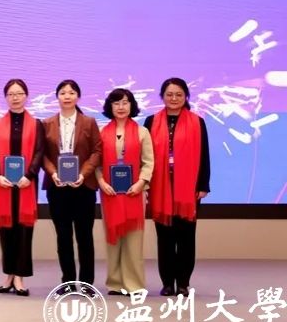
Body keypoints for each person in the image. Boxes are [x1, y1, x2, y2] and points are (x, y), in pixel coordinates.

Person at [144, 77, 211, 297]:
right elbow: (144, 156)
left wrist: (203, 184)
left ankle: (183, 283)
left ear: (186, 97)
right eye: (169, 94)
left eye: (179, 94)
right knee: (164, 238)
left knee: (186, 238)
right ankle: (167, 283)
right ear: (162, 96)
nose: (174, 98)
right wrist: (145, 184)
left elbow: (204, 155)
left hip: (189, 189)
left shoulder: (197, 122)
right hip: (159, 187)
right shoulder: (151, 121)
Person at [41, 80, 103, 293]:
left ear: (78, 96)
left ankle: (86, 284)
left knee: (85, 236)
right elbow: (43, 154)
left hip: (83, 187)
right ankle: (67, 281)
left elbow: (97, 151)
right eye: (63, 93)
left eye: (71, 92)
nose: (67, 96)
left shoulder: (89, 122)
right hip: (57, 187)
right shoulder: (47, 123)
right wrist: (53, 173)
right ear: (57, 97)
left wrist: (83, 173)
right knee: (63, 237)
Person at [0, 78, 45, 297]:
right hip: (3, 184)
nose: (15, 98)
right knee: (6, 231)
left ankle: (20, 276)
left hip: (25, 185)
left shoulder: (36, 124)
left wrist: (29, 175)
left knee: (23, 232)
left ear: (26, 96)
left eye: (19, 93)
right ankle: (9, 275)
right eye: (11, 94)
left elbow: (39, 152)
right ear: (6, 97)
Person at [97, 88, 154, 295]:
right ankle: (115, 283)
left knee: (133, 240)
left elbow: (148, 162)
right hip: (110, 193)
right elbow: (96, 163)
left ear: (132, 105)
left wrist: (141, 183)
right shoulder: (102, 132)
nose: (121, 107)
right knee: (113, 238)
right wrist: (101, 181)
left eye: (125, 102)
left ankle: (134, 284)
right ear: (110, 107)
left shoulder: (142, 132)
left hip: (134, 193)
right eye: (116, 103)